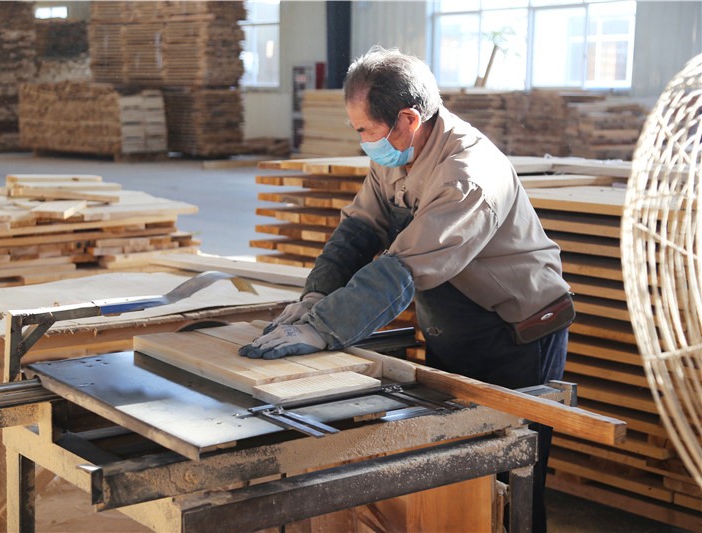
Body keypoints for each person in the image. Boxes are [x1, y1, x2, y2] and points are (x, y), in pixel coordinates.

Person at [239, 46, 574, 532]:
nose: (362, 141)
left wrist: (322, 329)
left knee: (508, 482)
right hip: (457, 325)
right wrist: (315, 296)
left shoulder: (467, 176)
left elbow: (404, 269)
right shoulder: (399, 152)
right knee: (454, 476)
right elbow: (360, 227)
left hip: (517, 334)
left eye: (365, 131)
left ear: (409, 120)